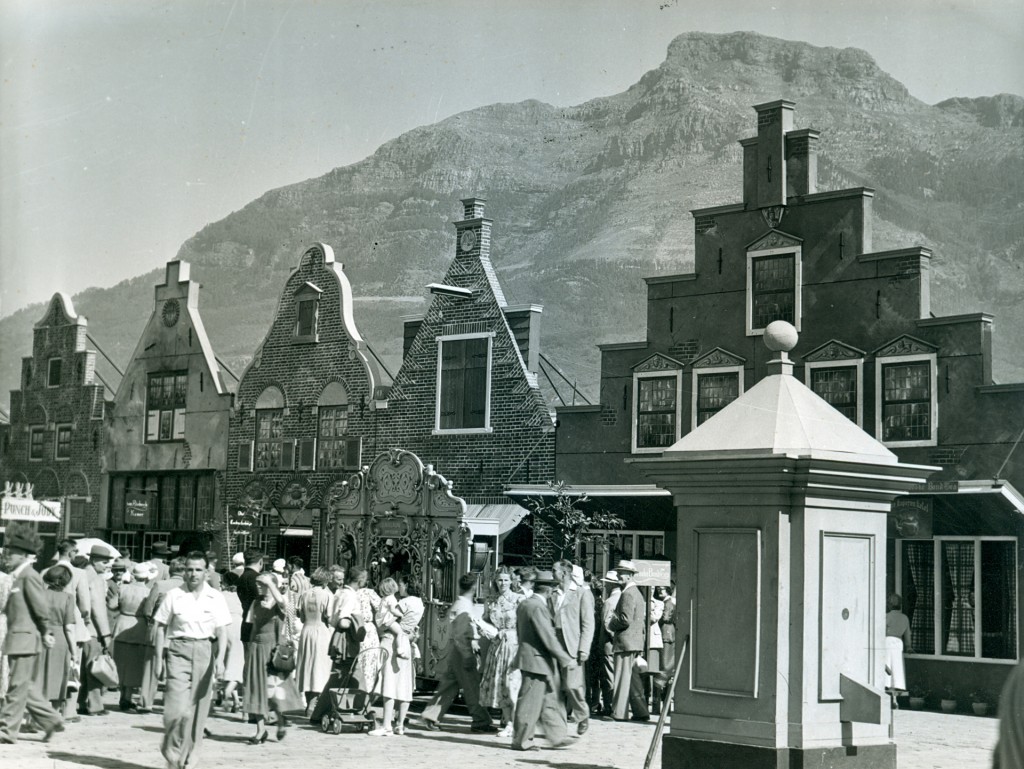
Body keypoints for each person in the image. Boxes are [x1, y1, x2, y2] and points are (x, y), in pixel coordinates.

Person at [153, 551, 231, 769]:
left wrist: (221, 660)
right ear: (184, 571)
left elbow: (222, 631)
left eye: (198, 569)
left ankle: (191, 755)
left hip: (205, 651)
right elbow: (159, 627)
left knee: (198, 709)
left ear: (206, 572)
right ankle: (171, 747)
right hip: (178, 650)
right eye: (189, 569)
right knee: (175, 708)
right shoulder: (174, 595)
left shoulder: (216, 597)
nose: (193, 574)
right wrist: (159, 659)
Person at [0, 523, 64, 744]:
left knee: (17, 686)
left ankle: (7, 731)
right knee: (25, 685)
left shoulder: (29, 576)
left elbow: (41, 608)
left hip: (25, 639)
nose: (7, 555)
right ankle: (51, 719)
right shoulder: (19, 576)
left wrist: (46, 631)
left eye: (12, 552)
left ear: (24, 555)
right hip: (19, 638)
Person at [511, 568, 576, 752]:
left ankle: (556, 737)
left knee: (548, 701)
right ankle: (522, 740)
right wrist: (565, 658)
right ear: (548, 590)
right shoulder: (537, 607)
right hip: (536, 660)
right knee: (529, 702)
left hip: (534, 659)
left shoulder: (526, 604)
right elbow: (547, 636)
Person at [421, 573, 495, 733]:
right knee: (472, 686)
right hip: (464, 649)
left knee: (449, 684)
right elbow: (462, 633)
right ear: (474, 587)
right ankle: (480, 719)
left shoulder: (460, 603)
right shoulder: (465, 606)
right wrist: (468, 654)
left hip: (457, 649)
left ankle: (431, 715)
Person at [242, 572, 302, 743]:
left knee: (273, 690)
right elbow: (253, 627)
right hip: (257, 647)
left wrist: (271, 584)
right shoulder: (255, 603)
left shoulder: (278, 602)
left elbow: (284, 603)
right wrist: (250, 648)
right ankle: (260, 730)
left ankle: (281, 720)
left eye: (262, 584)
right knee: (256, 689)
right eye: (258, 583)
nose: (259, 586)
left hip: (273, 650)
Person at [371, 572, 424, 736]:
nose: (399, 588)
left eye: (401, 584)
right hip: (407, 643)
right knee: (404, 684)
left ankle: (386, 724)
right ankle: (400, 724)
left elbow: (388, 620)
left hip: (392, 641)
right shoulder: (420, 603)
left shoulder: (404, 602)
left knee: (389, 683)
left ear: (407, 585)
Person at [44, 539, 91, 719]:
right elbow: (85, 605)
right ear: (72, 553)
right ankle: (69, 712)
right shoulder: (79, 573)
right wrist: (85, 619)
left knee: (47, 669)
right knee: (71, 669)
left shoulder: (44, 572)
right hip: (71, 624)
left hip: (47, 626)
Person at [550, 560, 595, 735]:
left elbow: (588, 623)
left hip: (572, 645)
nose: (552, 573)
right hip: (554, 644)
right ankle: (559, 727)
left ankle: (582, 715)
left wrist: (584, 648)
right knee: (555, 686)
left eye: (554, 570)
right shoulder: (552, 593)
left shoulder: (581, 594)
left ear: (564, 573)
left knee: (572, 685)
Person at [479, 566, 525, 737]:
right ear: (495, 581)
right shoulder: (491, 600)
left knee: (512, 683)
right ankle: (508, 722)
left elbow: (525, 623)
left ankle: (515, 723)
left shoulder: (518, 599)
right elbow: (485, 620)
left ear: (511, 581)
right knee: (501, 684)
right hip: (497, 645)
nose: (503, 583)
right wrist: (483, 629)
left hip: (514, 645)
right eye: (500, 580)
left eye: (506, 579)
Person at [140, 557, 186, 712]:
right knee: (175, 669)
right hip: (178, 632)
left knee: (151, 667)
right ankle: (170, 701)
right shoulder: (187, 588)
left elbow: (147, 609)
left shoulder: (160, 585)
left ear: (170, 570)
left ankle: (146, 701)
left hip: (158, 629)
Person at [608, 560, 649, 722]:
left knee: (622, 679)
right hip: (634, 642)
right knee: (632, 680)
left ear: (631, 575)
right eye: (619, 572)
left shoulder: (628, 593)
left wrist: (612, 623)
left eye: (622, 572)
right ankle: (641, 711)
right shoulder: (637, 593)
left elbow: (625, 619)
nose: (619, 575)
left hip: (625, 642)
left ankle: (619, 713)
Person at [78, 544, 115, 716]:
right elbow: (98, 609)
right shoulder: (97, 580)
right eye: (103, 562)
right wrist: (106, 635)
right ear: (93, 560)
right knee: (94, 667)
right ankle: (95, 705)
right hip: (93, 630)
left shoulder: (82, 573)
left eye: (108, 562)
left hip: (79, 628)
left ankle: (80, 702)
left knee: (82, 669)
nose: (107, 565)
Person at [36, 565, 76, 717]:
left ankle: (36, 715)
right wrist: (74, 652)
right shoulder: (67, 598)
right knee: (59, 676)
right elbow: (69, 627)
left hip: (40, 635)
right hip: (59, 638)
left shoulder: (39, 594)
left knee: (39, 676)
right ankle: (54, 714)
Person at [113, 562, 152, 711]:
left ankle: (123, 694)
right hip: (138, 624)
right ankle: (127, 696)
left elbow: (111, 605)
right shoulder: (147, 592)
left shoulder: (123, 588)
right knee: (133, 663)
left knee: (120, 661)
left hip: (122, 622)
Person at [296, 566, 333, 711]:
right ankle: (314, 704)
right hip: (321, 631)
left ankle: (309, 701)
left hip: (306, 631)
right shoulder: (327, 595)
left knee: (307, 665)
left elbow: (301, 617)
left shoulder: (305, 594)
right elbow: (329, 617)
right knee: (320, 667)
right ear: (325, 581)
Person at [354, 568, 384, 697]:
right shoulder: (369, 592)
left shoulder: (350, 593)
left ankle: (357, 690)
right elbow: (381, 608)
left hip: (355, 627)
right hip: (368, 628)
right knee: (369, 662)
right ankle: (366, 692)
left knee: (359, 661)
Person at [596, 570, 621, 717]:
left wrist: (612, 637)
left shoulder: (610, 601)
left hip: (607, 644)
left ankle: (609, 706)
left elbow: (607, 624)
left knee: (608, 676)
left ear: (611, 585)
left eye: (607, 584)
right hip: (616, 644)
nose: (605, 586)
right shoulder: (621, 598)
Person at [218, 571, 244, 712]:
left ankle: (234, 700)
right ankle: (229, 692)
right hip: (238, 625)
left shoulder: (221, 595)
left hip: (224, 626)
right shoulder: (240, 595)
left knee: (228, 661)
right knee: (237, 662)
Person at [653, 584, 675, 715]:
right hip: (668, 634)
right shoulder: (668, 602)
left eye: (661, 589)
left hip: (666, 634)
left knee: (665, 666)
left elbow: (666, 617)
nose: (659, 591)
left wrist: (658, 620)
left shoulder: (667, 603)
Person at [885, 592, 913, 694]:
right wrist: (908, 646)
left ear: (889, 604)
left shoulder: (886, 616)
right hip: (898, 643)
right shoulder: (904, 618)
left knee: (887, 663)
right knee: (897, 664)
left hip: (887, 642)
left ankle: (886, 684)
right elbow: (907, 635)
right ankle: (897, 685)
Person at [237, 548, 264, 643]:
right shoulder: (259, 579)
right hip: (258, 627)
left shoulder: (241, 577)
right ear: (261, 561)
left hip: (245, 623)